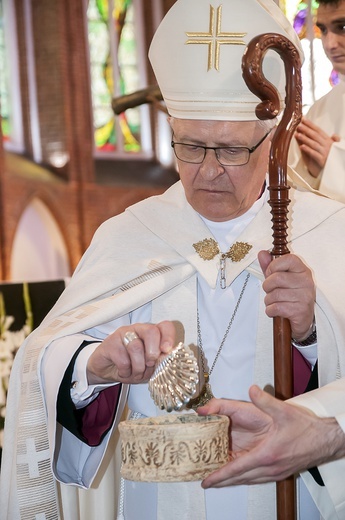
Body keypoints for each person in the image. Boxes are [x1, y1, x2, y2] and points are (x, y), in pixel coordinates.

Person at [2, 0, 345, 519]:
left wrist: (310, 333)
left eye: (229, 150)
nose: (207, 171)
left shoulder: (326, 233)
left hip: (294, 500)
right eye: (189, 146)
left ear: (271, 140)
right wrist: (98, 364)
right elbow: (43, 358)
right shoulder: (131, 235)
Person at [288, 0, 345, 203]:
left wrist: (335, 161)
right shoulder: (319, 110)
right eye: (323, 30)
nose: (330, 44)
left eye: (342, 27)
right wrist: (312, 172)